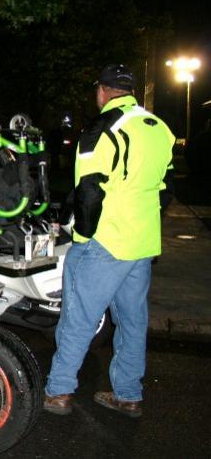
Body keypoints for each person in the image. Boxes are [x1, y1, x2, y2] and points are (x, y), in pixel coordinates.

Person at [43, 64, 175, 418]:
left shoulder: (101, 130)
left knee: (78, 319)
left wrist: (82, 239)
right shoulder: (158, 128)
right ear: (129, 90)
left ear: (102, 91)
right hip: (143, 243)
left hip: (107, 241)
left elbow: (88, 191)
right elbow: (166, 191)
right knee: (132, 323)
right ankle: (129, 394)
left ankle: (59, 391)